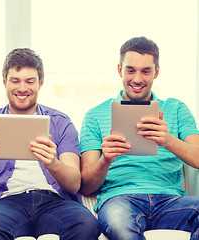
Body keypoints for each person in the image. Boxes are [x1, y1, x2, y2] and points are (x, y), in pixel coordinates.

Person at [0, 48, 100, 240]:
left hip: (54, 202)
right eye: (15, 81)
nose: (22, 88)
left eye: (29, 81)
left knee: (86, 224)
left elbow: (74, 184)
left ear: (40, 83)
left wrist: (53, 164)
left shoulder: (61, 122)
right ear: (4, 82)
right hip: (4, 203)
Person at [79, 36, 199, 240]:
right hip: (120, 200)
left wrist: (167, 140)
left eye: (146, 71)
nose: (137, 79)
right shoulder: (95, 115)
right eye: (130, 70)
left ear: (156, 72)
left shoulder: (176, 109)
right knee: (120, 227)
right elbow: (86, 186)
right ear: (120, 70)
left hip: (171, 201)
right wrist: (106, 159)